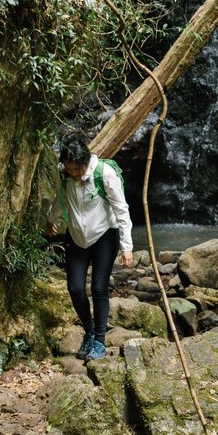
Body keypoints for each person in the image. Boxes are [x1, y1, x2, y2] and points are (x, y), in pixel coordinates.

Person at [46, 131, 133, 361]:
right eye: (69, 169)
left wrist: (127, 246)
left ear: (86, 163)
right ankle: (89, 331)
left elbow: (121, 210)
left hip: (105, 234)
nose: (73, 174)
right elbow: (60, 196)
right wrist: (51, 218)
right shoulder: (63, 174)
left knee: (98, 288)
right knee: (75, 288)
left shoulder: (105, 174)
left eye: (77, 169)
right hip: (76, 236)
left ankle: (100, 341)